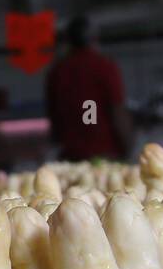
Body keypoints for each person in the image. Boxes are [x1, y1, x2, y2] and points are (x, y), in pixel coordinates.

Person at [45, 17, 132, 162]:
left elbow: (54, 122)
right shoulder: (104, 67)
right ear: (93, 39)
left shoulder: (56, 73)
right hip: (104, 154)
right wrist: (127, 148)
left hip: (70, 157)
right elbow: (118, 113)